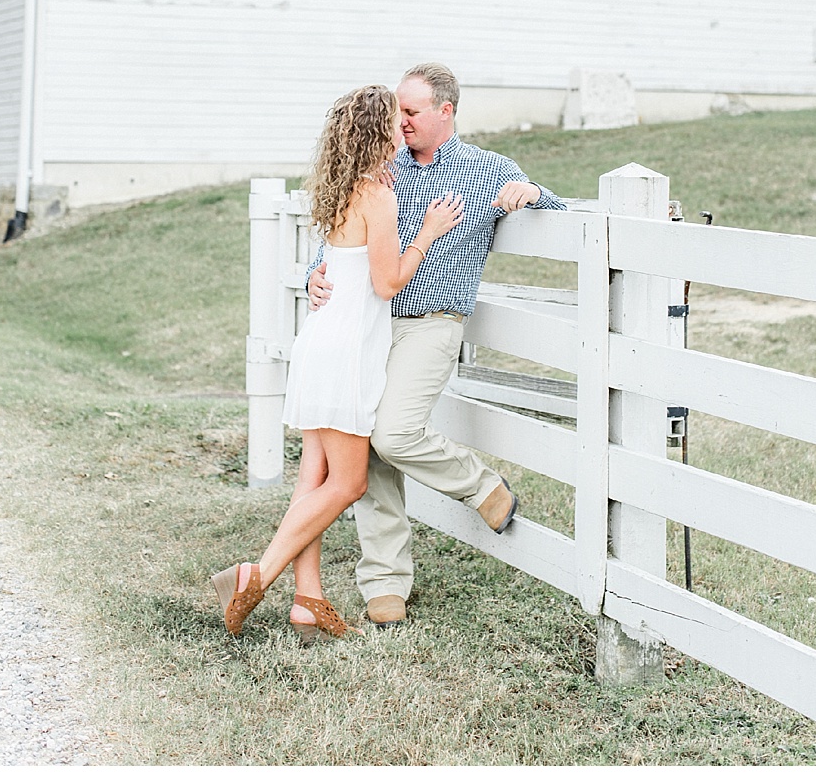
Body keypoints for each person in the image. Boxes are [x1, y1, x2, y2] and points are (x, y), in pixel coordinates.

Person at [306, 62, 565, 628]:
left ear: (446, 111)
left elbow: (561, 214)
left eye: (411, 111)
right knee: (365, 446)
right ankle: (384, 581)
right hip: (370, 322)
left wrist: (534, 193)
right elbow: (340, 235)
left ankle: (481, 485)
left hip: (431, 323)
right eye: (397, 110)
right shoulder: (382, 165)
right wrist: (313, 275)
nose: (400, 121)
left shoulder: (487, 169)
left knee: (394, 433)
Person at [213, 85, 463, 639]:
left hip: (320, 343)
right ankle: (257, 575)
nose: (402, 129)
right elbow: (387, 283)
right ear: (377, 133)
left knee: (315, 477)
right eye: (394, 122)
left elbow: (342, 269)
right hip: (347, 351)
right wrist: (427, 234)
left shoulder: (342, 188)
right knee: (348, 484)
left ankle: (308, 601)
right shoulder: (378, 195)